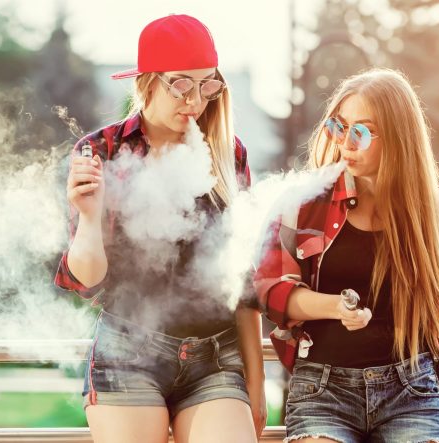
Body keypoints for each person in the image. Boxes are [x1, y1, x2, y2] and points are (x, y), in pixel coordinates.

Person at [55, 14, 265, 443]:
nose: (195, 101)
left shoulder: (229, 154)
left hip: (215, 357)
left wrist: (257, 387)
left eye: (207, 85)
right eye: (181, 84)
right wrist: (90, 217)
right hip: (127, 353)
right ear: (147, 82)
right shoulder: (102, 151)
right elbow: (88, 280)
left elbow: (242, 283)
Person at [254, 68, 439, 443]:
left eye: (361, 132)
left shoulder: (435, 210)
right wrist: (337, 307)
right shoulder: (302, 205)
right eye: (339, 127)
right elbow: (269, 292)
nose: (346, 142)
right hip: (323, 390)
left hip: (409, 388)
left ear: (397, 138)